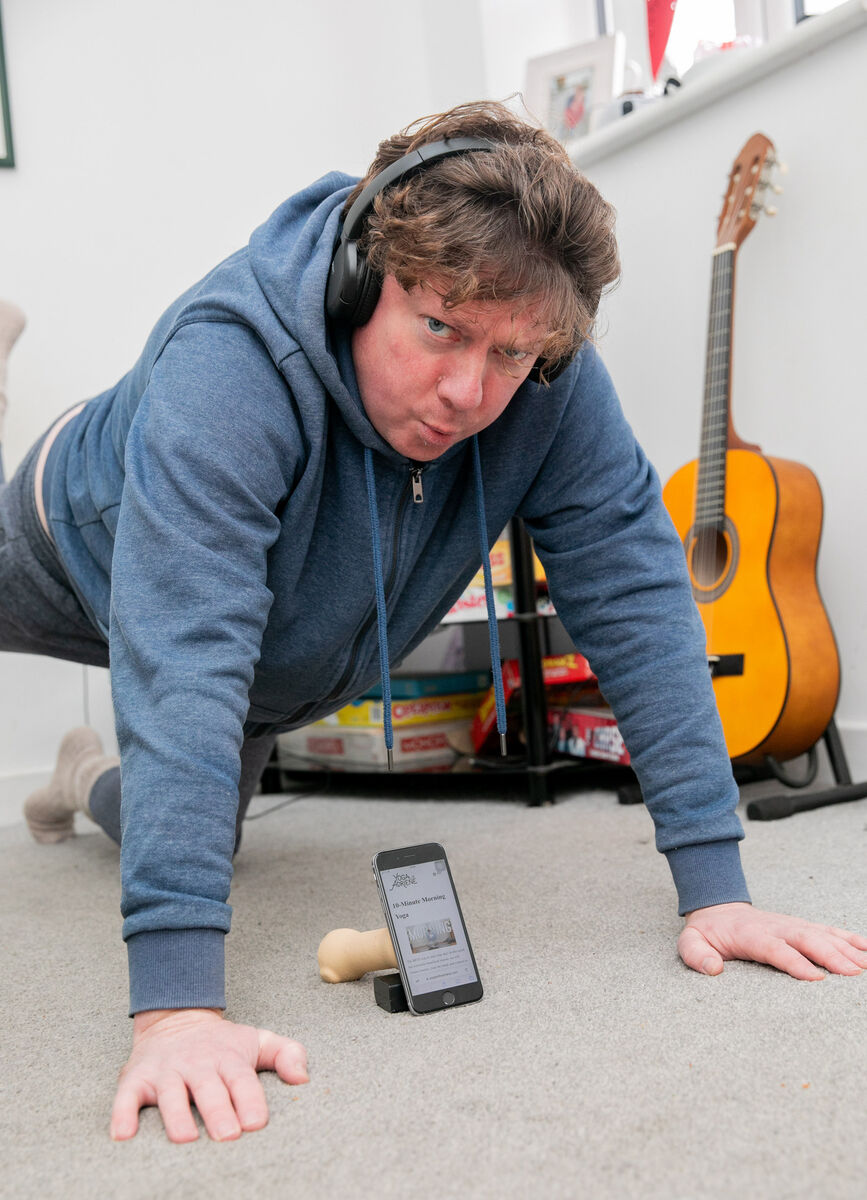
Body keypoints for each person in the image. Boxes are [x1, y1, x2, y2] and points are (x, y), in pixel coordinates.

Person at [2, 101, 865, 1145]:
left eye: (509, 356)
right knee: (182, 735)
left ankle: (78, 777)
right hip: (74, 533)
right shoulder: (229, 363)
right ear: (368, 276)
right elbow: (187, 653)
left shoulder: (547, 380)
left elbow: (638, 592)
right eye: (440, 327)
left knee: (185, 836)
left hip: (274, 649)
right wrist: (178, 1011)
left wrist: (714, 883)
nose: (467, 391)